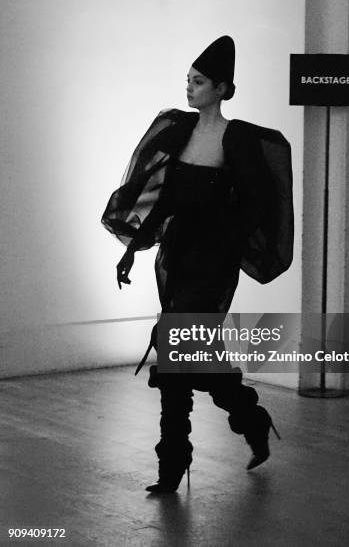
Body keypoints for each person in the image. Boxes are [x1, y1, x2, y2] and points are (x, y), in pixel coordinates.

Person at [101, 36, 294, 493]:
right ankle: (249, 417)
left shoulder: (240, 138)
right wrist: (132, 248)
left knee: (175, 352)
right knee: (187, 357)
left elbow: (258, 203)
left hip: (214, 261)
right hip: (179, 256)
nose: (190, 88)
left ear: (223, 88)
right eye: (188, 80)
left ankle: (174, 464)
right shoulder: (179, 129)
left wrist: (226, 237)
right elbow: (164, 198)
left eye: (200, 81)